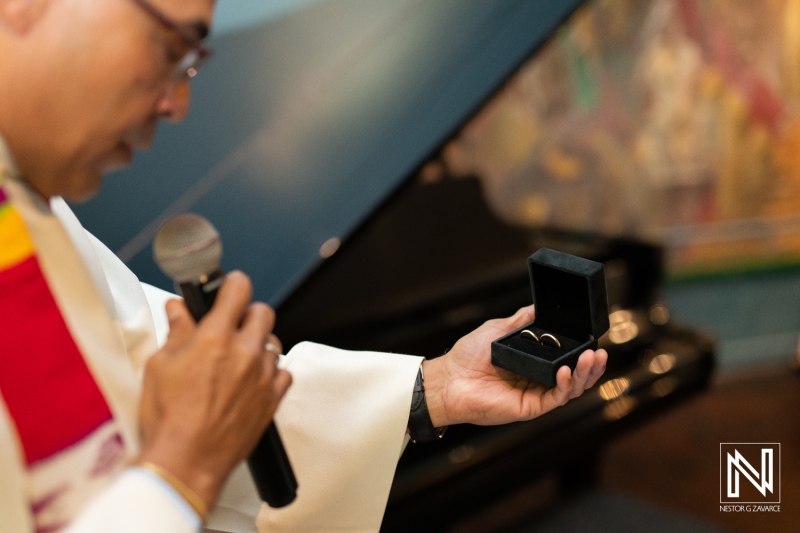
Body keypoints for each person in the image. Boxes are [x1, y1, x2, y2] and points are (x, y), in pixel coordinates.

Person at [0, 0, 608, 531]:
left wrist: (435, 389)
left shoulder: (26, 210)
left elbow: (144, 360)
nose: (176, 104)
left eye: (190, 66)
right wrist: (175, 477)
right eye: (169, 47)